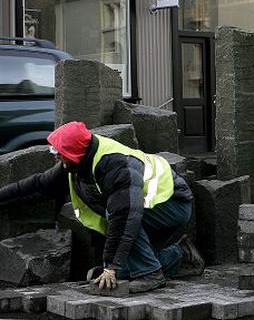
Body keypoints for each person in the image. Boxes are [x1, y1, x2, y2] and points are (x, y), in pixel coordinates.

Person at [0, 121, 204, 293]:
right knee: (122, 274)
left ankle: (151, 274)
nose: (55, 156)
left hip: (171, 204)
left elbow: (125, 217)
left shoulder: (115, 165)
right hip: (142, 209)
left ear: (73, 153)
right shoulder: (76, 162)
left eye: (58, 152)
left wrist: (111, 267)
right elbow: (38, 185)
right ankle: (181, 254)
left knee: (119, 243)